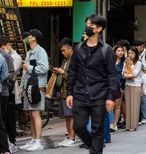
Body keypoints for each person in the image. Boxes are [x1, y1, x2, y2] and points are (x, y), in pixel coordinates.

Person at [66, 14, 117, 154]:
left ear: (99, 29)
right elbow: (73, 71)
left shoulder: (106, 50)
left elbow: (112, 75)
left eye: (90, 25)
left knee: (97, 129)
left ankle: (95, 151)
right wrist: (69, 92)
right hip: (80, 94)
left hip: (99, 94)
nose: (87, 27)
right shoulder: (78, 48)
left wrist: (110, 97)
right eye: (86, 24)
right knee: (79, 126)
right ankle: (93, 147)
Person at [19, 29, 49, 152]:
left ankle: (38, 141)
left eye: (29, 36)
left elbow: (44, 67)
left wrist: (29, 67)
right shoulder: (30, 52)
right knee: (31, 114)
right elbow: (25, 72)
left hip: (38, 87)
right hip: (29, 87)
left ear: (34, 38)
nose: (27, 38)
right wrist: (22, 87)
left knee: (36, 113)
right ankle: (33, 139)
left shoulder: (40, 51)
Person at [53, 38, 77, 147]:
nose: (62, 53)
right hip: (64, 91)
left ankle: (72, 137)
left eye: (64, 50)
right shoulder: (65, 60)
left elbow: (74, 77)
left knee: (71, 115)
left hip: (71, 92)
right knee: (67, 116)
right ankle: (69, 136)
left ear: (70, 48)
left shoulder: (74, 60)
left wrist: (62, 72)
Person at [0, 36, 16, 153]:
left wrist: (0, 78)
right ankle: (3, 145)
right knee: (0, 120)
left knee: (6, 119)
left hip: (6, 91)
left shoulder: (6, 56)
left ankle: (9, 144)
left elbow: (12, 73)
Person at [123, 47, 143, 132]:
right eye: (129, 53)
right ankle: (128, 125)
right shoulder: (125, 63)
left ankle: (134, 125)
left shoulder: (138, 63)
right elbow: (123, 74)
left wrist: (131, 66)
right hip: (128, 85)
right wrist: (127, 74)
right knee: (128, 105)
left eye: (132, 53)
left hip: (136, 85)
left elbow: (134, 74)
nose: (130, 55)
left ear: (136, 54)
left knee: (135, 105)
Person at [113, 45, 126, 131]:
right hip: (110, 85)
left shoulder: (124, 62)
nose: (120, 52)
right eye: (118, 51)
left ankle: (114, 123)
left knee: (118, 105)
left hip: (120, 85)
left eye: (122, 51)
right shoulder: (111, 61)